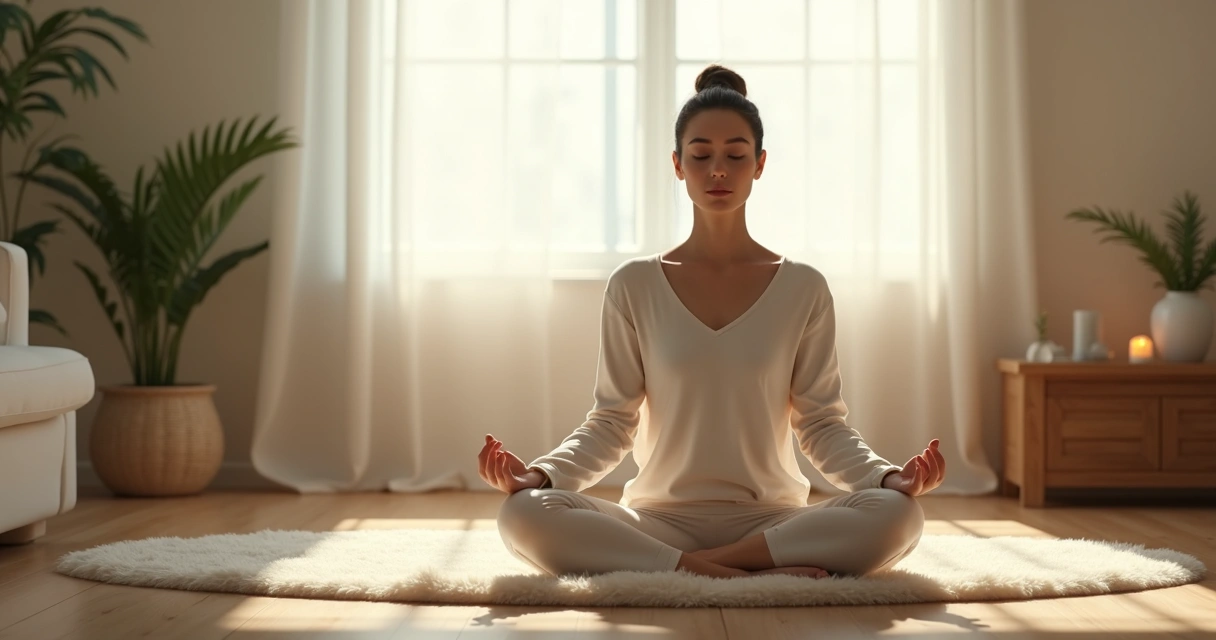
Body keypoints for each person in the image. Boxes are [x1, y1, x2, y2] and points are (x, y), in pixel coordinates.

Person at [478, 64, 945, 580]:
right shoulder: (633, 285)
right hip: (658, 520)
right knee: (522, 513)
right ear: (678, 165)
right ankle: (732, 572)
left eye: (735, 155)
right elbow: (611, 422)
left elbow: (819, 424)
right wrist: (540, 474)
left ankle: (697, 570)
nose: (718, 169)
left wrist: (886, 478)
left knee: (900, 515)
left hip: (774, 523)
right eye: (700, 155)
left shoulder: (803, 288)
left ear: (760, 164)